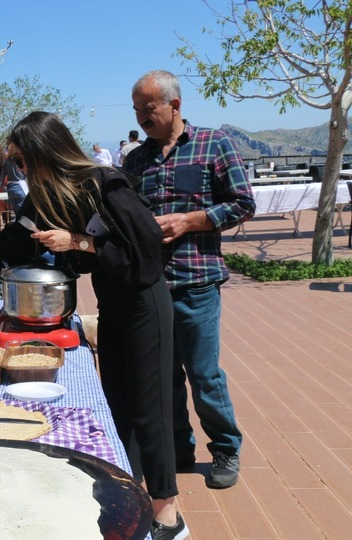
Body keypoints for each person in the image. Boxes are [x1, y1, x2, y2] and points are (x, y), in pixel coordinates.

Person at [0, 111, 188, 539]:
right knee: (118, 400)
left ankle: (168, 514)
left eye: (24, 161)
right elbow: (7, 243)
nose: (21, 170)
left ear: (46, 153)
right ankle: (129, 490)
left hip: (144, 301)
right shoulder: (47, 195)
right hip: (113, 303)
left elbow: (147, 247)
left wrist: (79, 242)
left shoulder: (106, 183)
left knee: (149, 407)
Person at [122, 69, 255, 491]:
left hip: (197, 282)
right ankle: (179, 447)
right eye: (137, 111)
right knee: (165, 376)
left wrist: (190, 221)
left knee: (202, 373)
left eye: (149, 109)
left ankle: (226, 448)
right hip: (152, 286)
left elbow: (242, 204)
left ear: (174, 105)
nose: (143, 118)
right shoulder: (135, 160)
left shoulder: (214, 144)